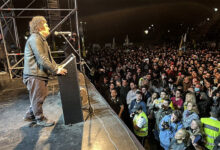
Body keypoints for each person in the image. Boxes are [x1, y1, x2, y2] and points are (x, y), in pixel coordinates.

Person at [23, 16, 67, 127]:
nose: (48, 27)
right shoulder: (35, 39)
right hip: (34, 74)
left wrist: (57, 66)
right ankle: (40, 118)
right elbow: (42, 58)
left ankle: (30, 115)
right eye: (46, 25)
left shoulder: (40, 39)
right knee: (38, 97)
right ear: (39, 27)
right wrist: (56, 69)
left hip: (37, 74)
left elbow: (49, 58)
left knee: (38, 96)